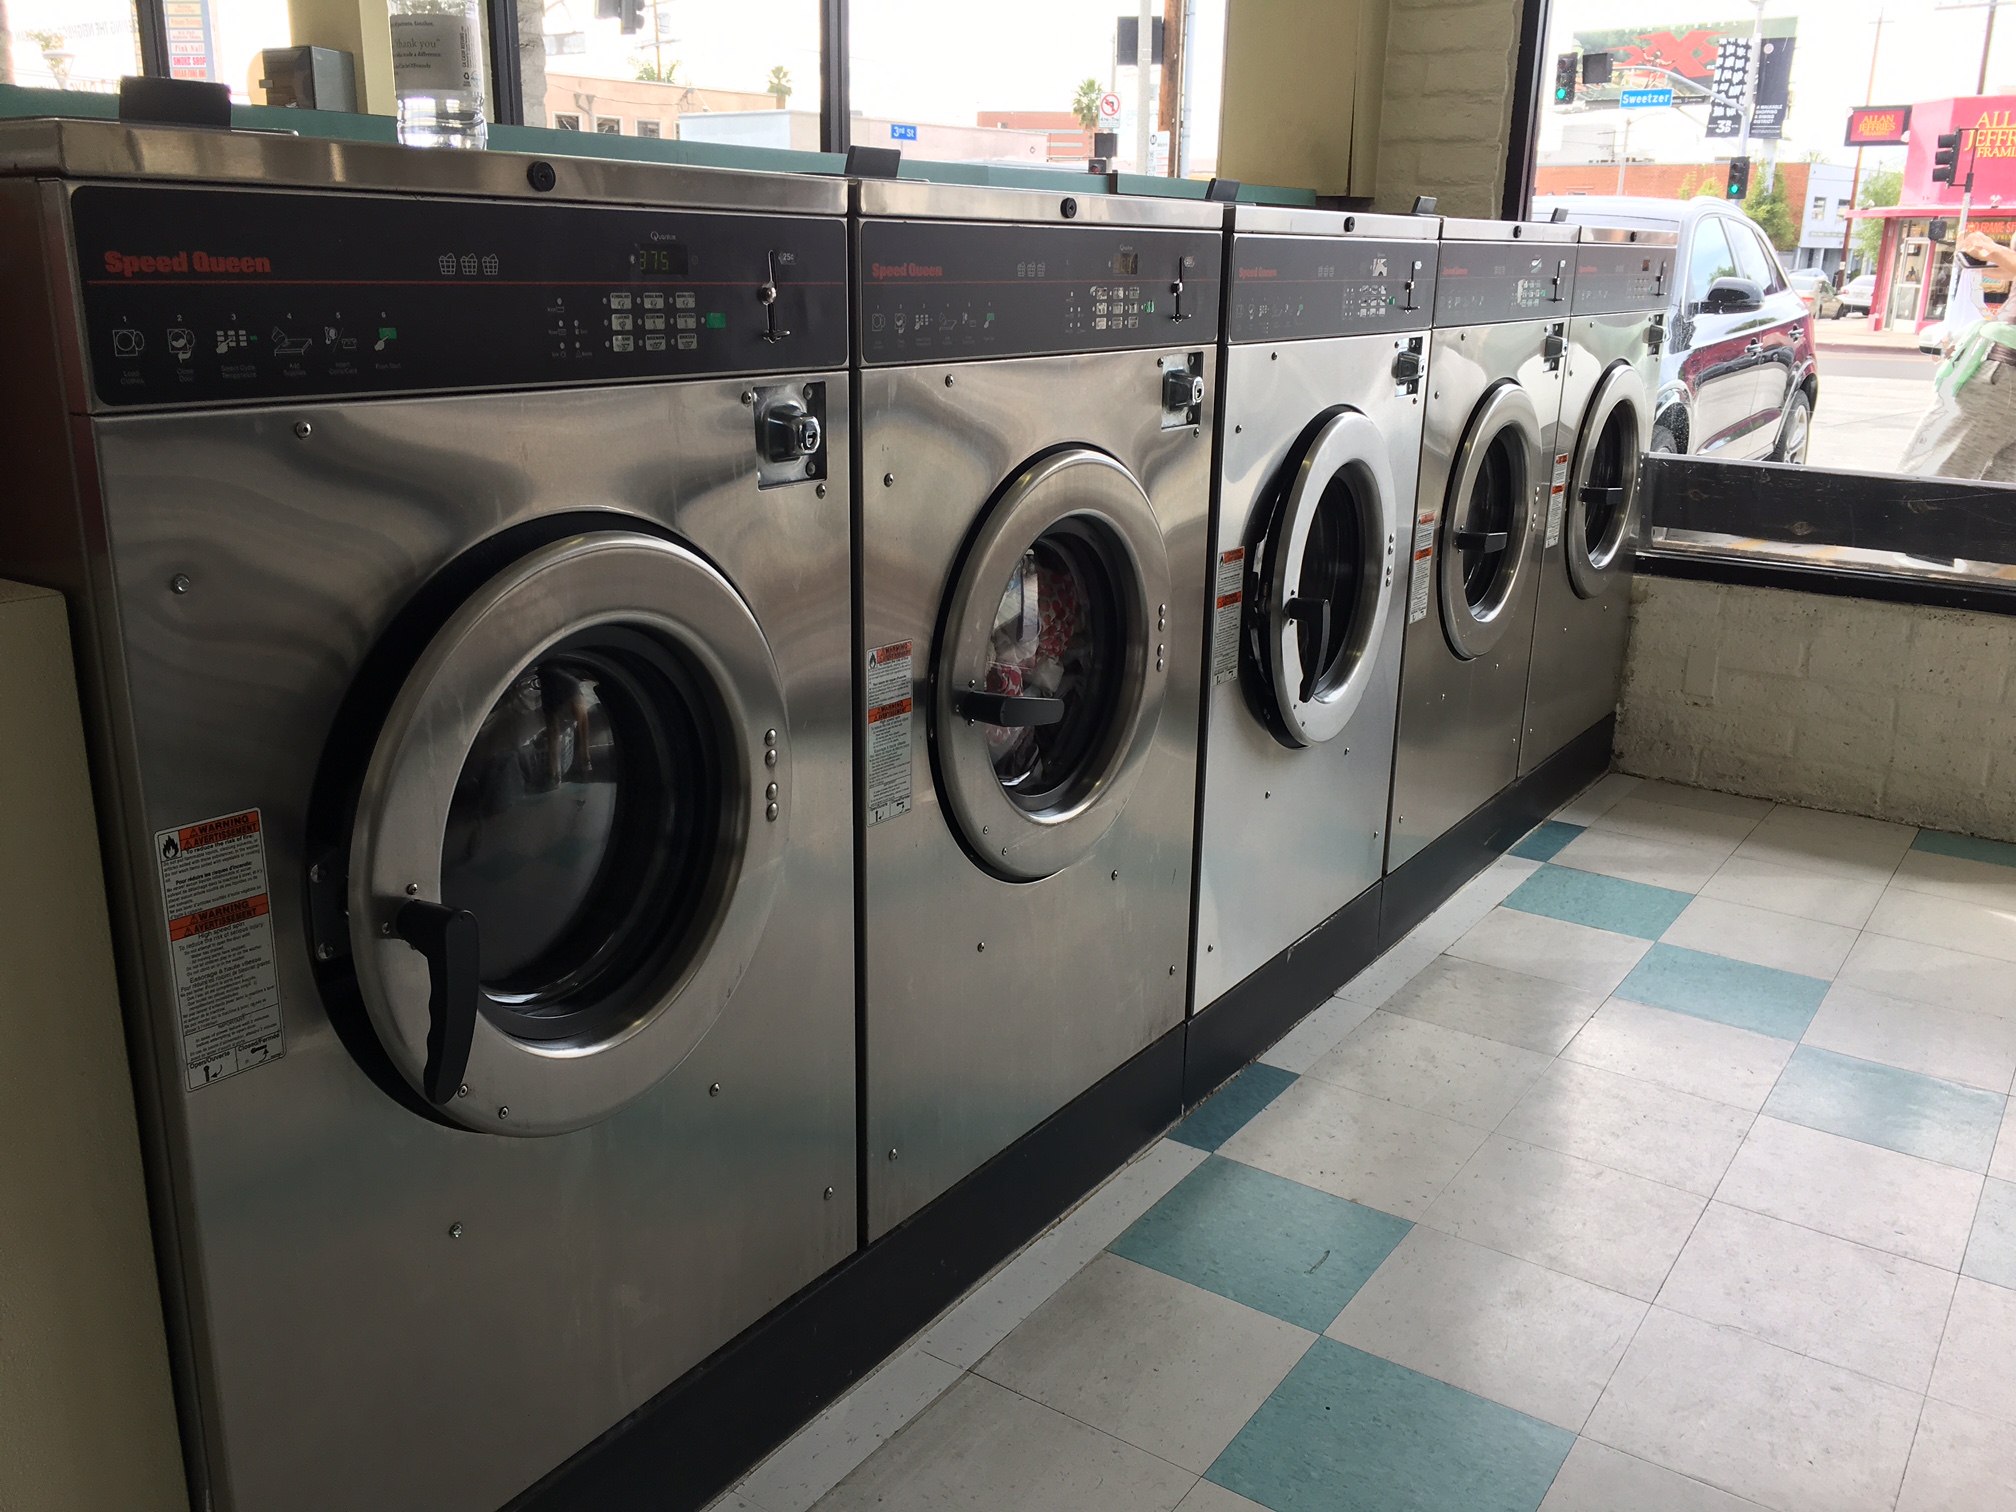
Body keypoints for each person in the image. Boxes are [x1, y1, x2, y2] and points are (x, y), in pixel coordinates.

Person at [1900, 229, 2016, 480]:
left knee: (1935, 472)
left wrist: (1993, 250)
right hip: (2005, 367)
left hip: (2005, 372)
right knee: (1998, 492)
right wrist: (1986, 261)